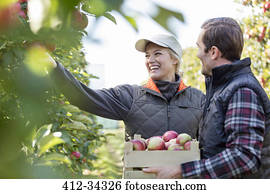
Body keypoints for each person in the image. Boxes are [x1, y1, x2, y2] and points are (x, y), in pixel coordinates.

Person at [143, 17, 270, 178]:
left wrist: (182, 170)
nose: (196, 55)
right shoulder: (221, 89)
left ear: (213, 52)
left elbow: (244, 157)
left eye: (199, 47)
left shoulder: (242, 91)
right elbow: (216, 147)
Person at [48, 34, 205, 140]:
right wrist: (54, 68)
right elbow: (83, 97)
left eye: (157, 54)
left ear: (174, 59)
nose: (150, 60)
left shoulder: (198, 99)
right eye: (147, 55)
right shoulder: (130, 96)